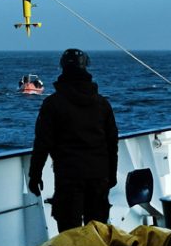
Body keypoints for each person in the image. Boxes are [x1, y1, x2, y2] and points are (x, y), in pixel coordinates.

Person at [27, 49, 119, 232]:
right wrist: (112, 175)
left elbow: (42, 144)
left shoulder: (52, 104)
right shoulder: (102, 104)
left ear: (62, 67)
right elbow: (112, 143)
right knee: (98, 234)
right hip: (99, 176)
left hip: (69, 177)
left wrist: (34, 175)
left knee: (70, 237)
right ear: (86, 66)